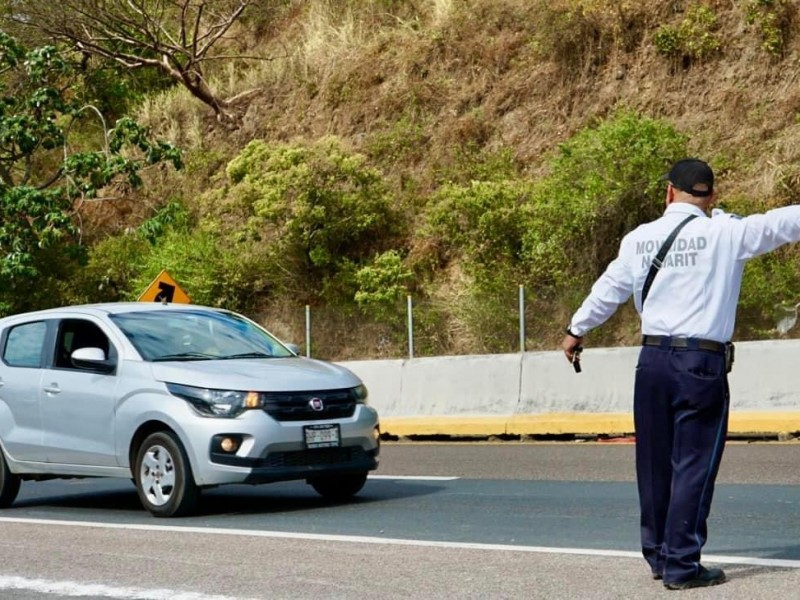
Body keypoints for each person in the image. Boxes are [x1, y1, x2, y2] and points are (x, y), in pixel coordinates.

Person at [560, 158, 800, 590]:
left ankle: (657, 556)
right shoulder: (728, 232)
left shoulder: (639, 239)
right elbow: (784, 223)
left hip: (651, 362)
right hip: (700, 365)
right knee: (692, 466)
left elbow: (608, 289)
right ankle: (682, 565)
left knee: (652, 463)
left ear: (669, 192)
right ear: (711, 196)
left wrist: (576, 330)